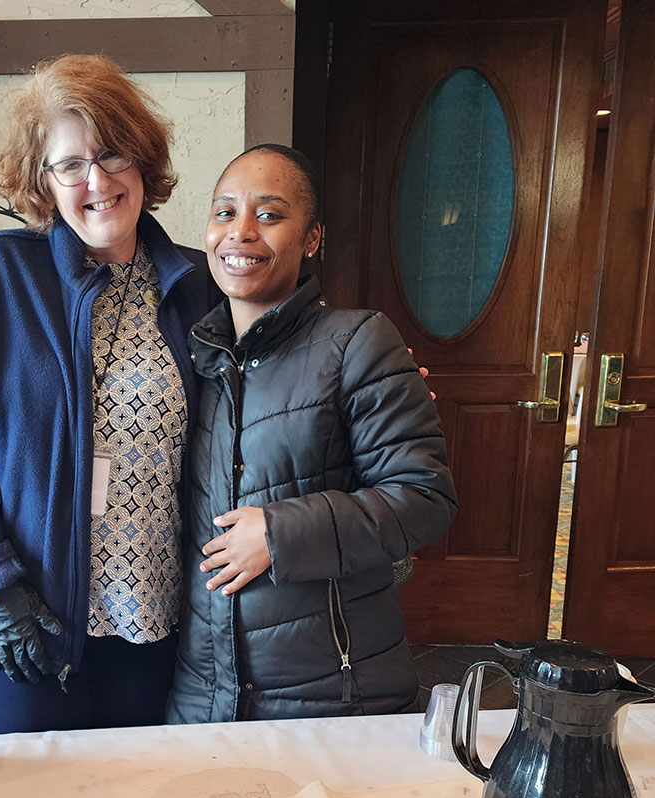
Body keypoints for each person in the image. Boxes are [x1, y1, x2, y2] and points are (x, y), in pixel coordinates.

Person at [0, 54, 219, 734]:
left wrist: (367, 373)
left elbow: (282, 381)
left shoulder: (200, 288)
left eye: (113, 155)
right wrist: (0, 586)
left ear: (143, 162)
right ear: (44, 183)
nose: (98, 181)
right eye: (71, 164)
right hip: (30, 625)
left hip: (154, 620)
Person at [166, 145, 458, 724]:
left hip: (334, 695)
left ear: (312, 238)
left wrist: (280, 533)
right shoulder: (193, 362)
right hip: (205, 693)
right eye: (224, 213)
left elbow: (424, 498)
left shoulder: (358, 342)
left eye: (269, 215)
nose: (241, 232)